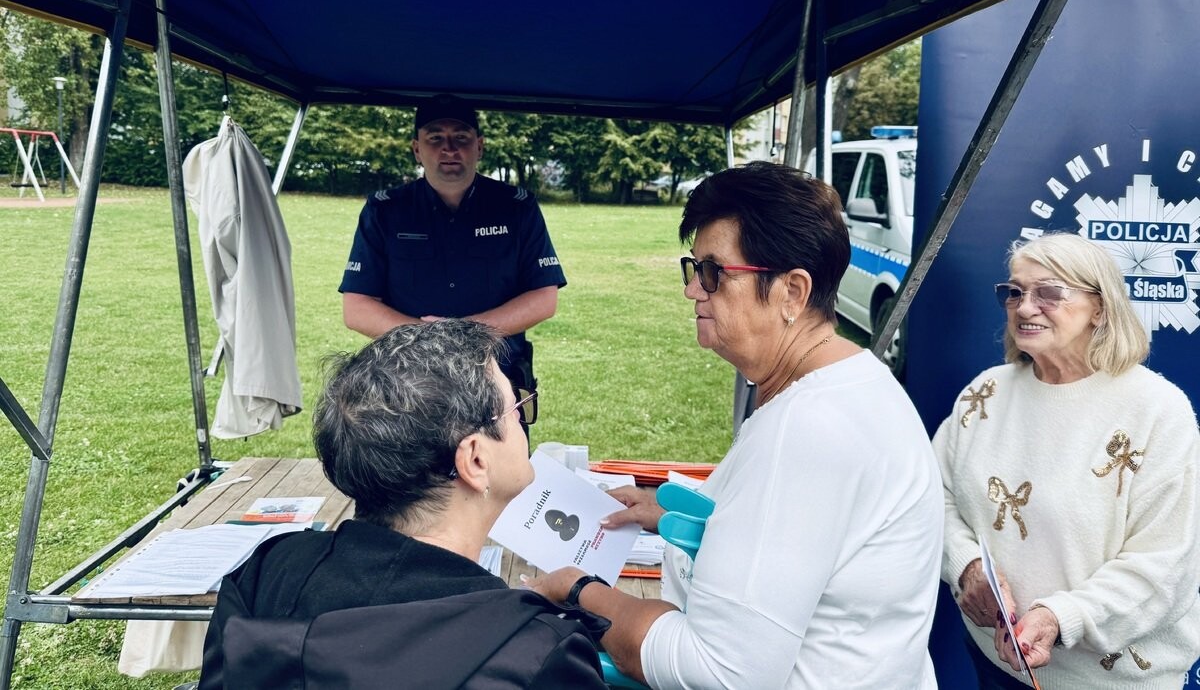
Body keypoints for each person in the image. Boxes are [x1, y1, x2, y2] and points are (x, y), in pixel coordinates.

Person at [528, 162, 943, 688]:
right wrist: (674, 512)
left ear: (791, 292)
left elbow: (721, 671)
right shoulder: (846, 383)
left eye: (713, 273)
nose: (692, 291)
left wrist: (578, 589)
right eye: (693, 267)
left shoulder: (809, 427)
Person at [198, 319, 607, 689]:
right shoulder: (539, 653)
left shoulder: (266, 572)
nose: (522, 420)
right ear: (475, 460)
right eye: (517, 408)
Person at [932, 232, 1200, 689]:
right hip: (994, 660)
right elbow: (932, 494)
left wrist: (1061, 617)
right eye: (1014, 291)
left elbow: (1165, 565)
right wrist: (965, 565)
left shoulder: (1157, 411)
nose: (1024, 306)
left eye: (1049, 292)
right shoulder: (985, 393)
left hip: (1109, 681)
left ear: (1100, 308)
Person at [339, 93, 565, 395]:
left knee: (501, 445)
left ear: (479, 146)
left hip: (497, 375)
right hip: (409, 379)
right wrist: (429, 339)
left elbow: (544, 298)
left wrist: (468, 333)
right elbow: (357, 308)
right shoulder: (384, 211)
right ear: (417, 149)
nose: (449, 148)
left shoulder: (517, 208)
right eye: (435, 138)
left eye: (461, 136)